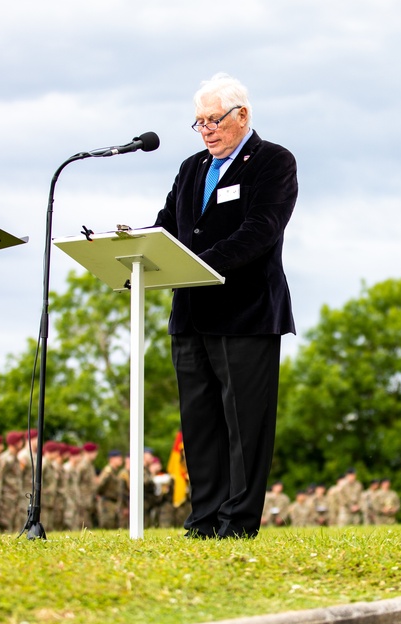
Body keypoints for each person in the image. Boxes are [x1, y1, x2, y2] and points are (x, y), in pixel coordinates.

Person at [153, 72, 299, 540]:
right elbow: (167, 226)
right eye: (198, 123)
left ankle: (236, 524)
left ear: (243, 116)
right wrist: (140, 248)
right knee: (199, 424)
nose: (207, 130)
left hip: (246, 314)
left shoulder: (273, 161)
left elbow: (260, 231)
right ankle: (203, 520)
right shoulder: (191, 167)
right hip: (190, 315)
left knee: (244, 425)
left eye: (214, 120)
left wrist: (195, 264)